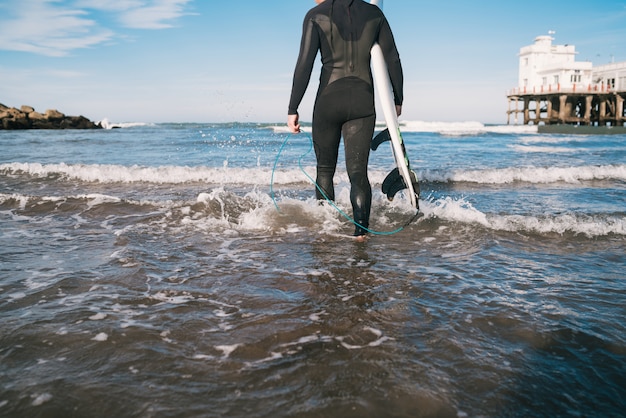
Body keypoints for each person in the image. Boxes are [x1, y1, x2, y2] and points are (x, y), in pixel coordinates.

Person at [288, 0, 404, 240]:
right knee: (358, 173)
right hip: (362, 101)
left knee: (324, 170)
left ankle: (326, 229)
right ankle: (361, 233)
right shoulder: (374, 14)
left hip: (328, 102)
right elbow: (392, 58)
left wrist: (293, 107)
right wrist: (398, 98)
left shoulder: (315, 15)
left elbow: (304, 64)